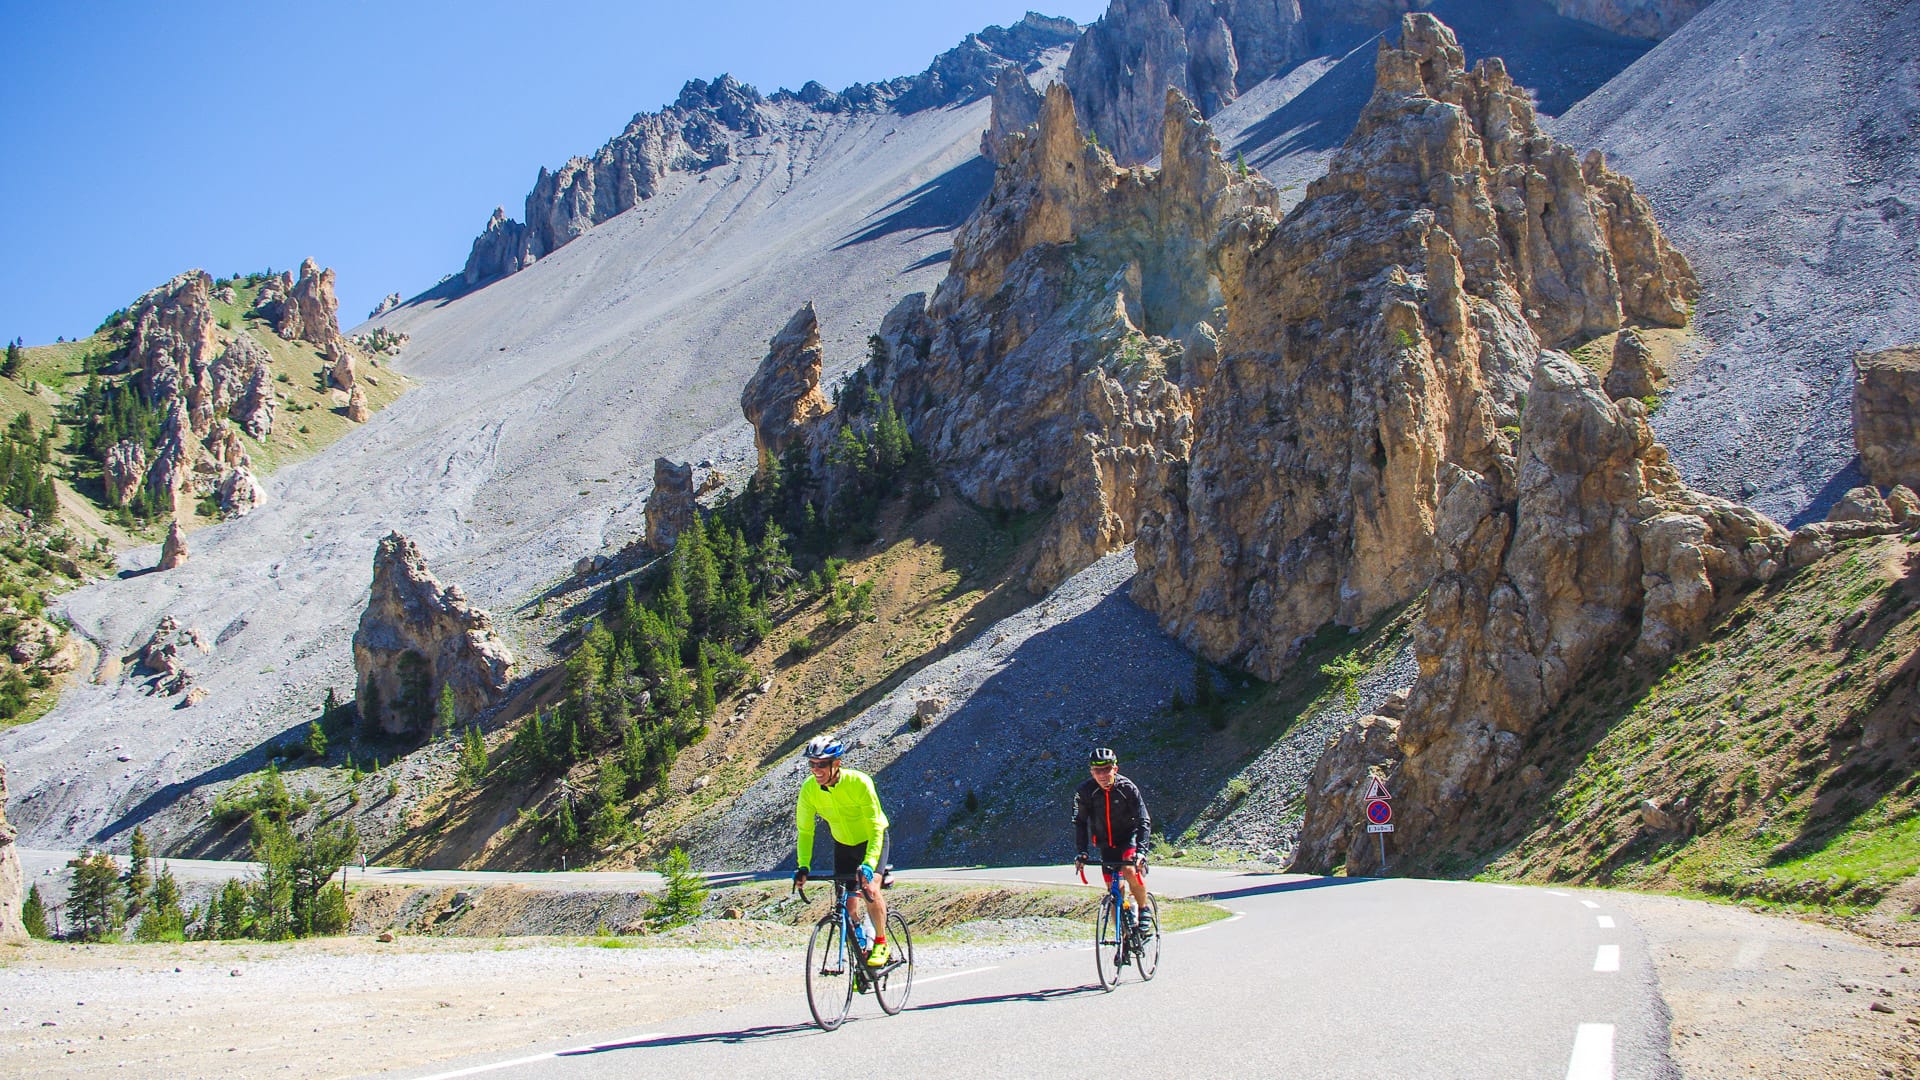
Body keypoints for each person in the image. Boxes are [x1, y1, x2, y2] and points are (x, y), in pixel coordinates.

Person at [793, 735, 893, 966]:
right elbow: (806, 831)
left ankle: (880, 942)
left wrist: (869, 864)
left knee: (869, 888)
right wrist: (803, 866)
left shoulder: (859, 783)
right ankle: (860, 946)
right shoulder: (809, 790)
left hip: (872, 840)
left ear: (836, 763)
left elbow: (876, 826)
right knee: (847, 903)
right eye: (812, 764)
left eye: (821, 764)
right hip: (843, 845)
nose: (816, 770)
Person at [1073, 746, 1152, 937]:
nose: (1102, 774)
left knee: (1129, 869)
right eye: (1097, 770)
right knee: (1115, 891)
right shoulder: (1085, 791)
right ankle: (1124, 935)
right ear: (1091, 772)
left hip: (1128, 838)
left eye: (1106, 769)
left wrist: (1141, 851)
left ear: (1115, 769)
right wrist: (1082, 852)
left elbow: (1143, 820)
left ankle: (1144, 909)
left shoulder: (1127, 788)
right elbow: (1080, 822)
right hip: (1105, 843)